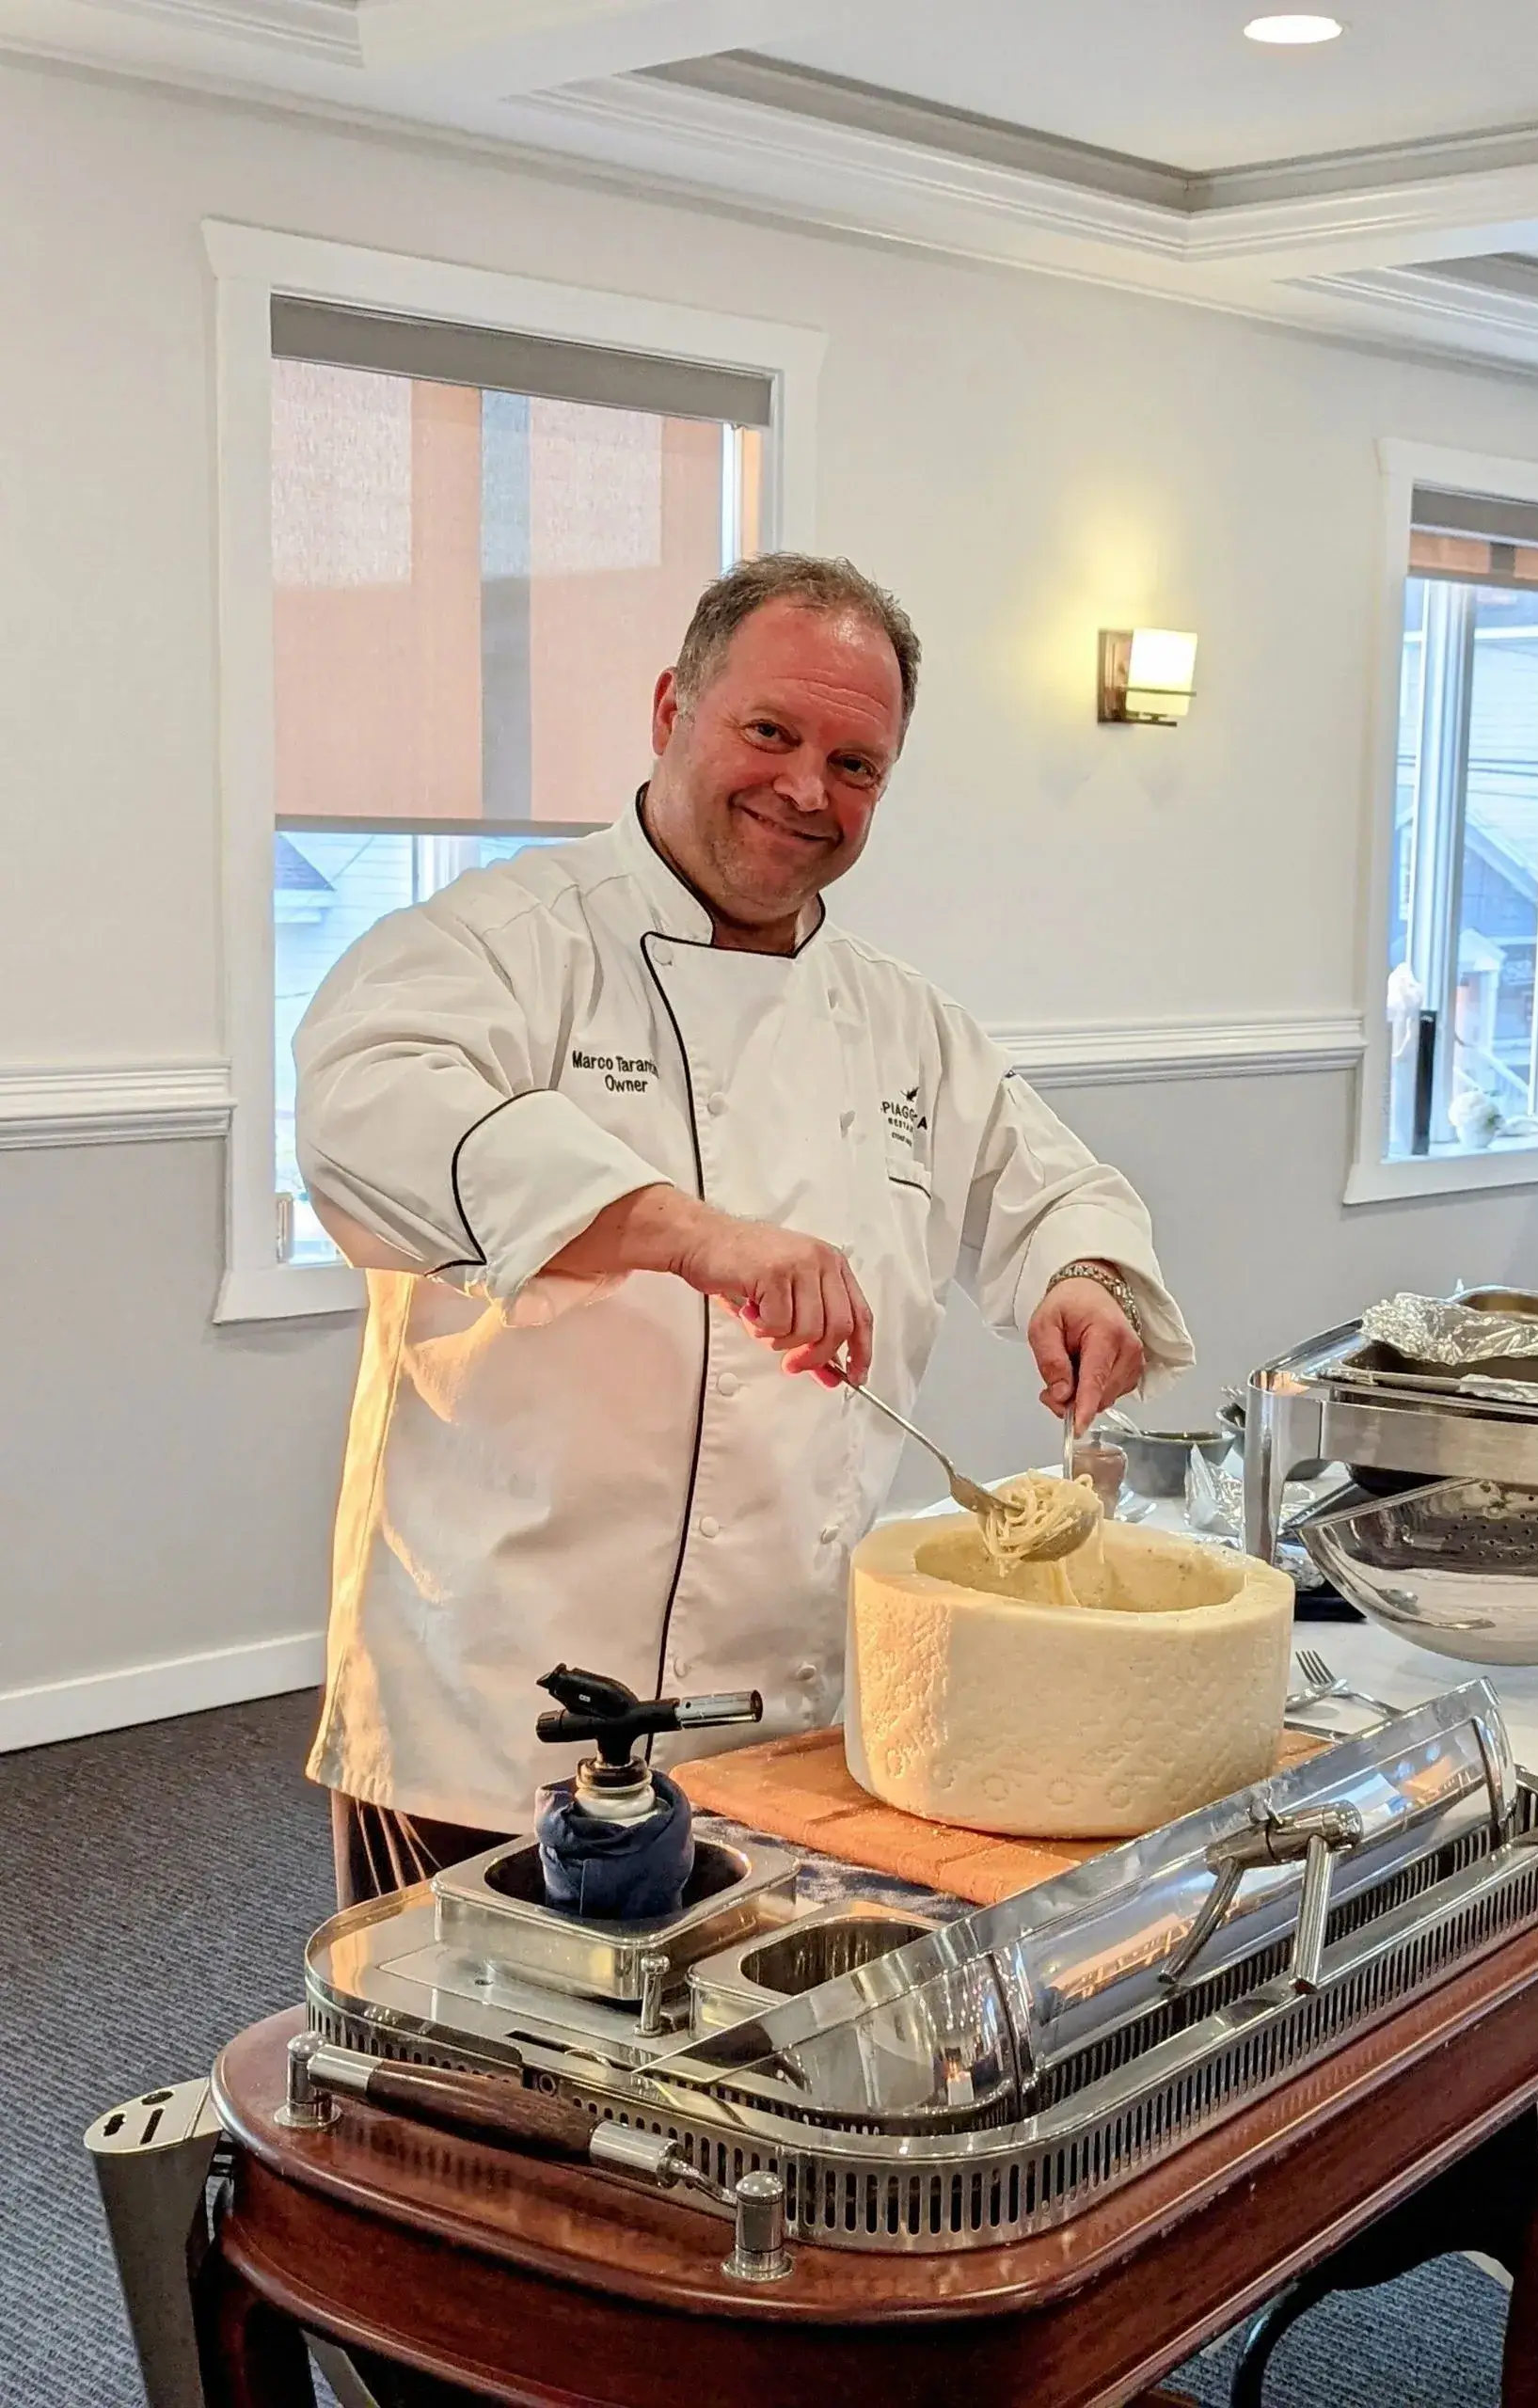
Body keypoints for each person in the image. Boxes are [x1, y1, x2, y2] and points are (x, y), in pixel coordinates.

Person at [294, 553, 1193, 1905]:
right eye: (769, 732)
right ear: (672, 709)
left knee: (732, 2089)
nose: (805, 789)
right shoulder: (496, 941)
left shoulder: (899, 1018)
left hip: (791, 1716)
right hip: (496, 1706)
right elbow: (365, 1121)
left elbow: (1053, 1183)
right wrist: (681, 1231)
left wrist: (1085, 1279)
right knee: (460, 2099)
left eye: (855, 764)